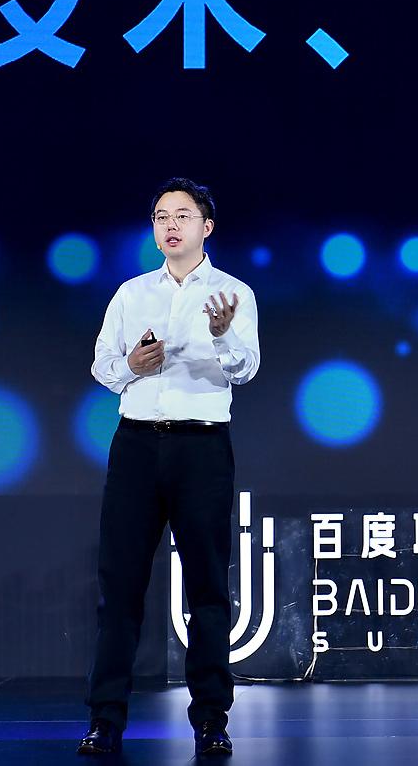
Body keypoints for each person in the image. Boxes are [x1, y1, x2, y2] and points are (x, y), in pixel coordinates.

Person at [79, 177, 259, 758]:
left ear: (207, 227)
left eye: (183, 215)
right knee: (120, 587)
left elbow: (246, 369)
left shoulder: (234, 293)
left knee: (207, 587)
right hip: (136, 445)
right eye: (161, 217)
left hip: (201, 448)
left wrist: (222, 334)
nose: (170, 225)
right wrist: (131, 365)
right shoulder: (131, 294)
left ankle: (211, 719)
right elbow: (103, 366)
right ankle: (105, 719)